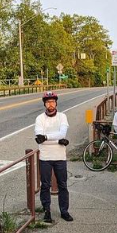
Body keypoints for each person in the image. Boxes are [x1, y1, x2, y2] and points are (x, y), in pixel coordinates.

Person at [34, 91, 72, 223]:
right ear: (45, 104)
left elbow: (62, 133)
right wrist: (58, 140)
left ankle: (64, 211)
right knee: (45, 185)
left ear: (56, 103)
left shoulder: (62, 117)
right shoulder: (40, 119)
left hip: (60, 156)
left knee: (62, 184)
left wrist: (47, 137)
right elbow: (39, 138)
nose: (51, 104)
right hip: (45, 157)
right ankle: (47, 211)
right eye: (48, 102)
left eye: (53, 101)